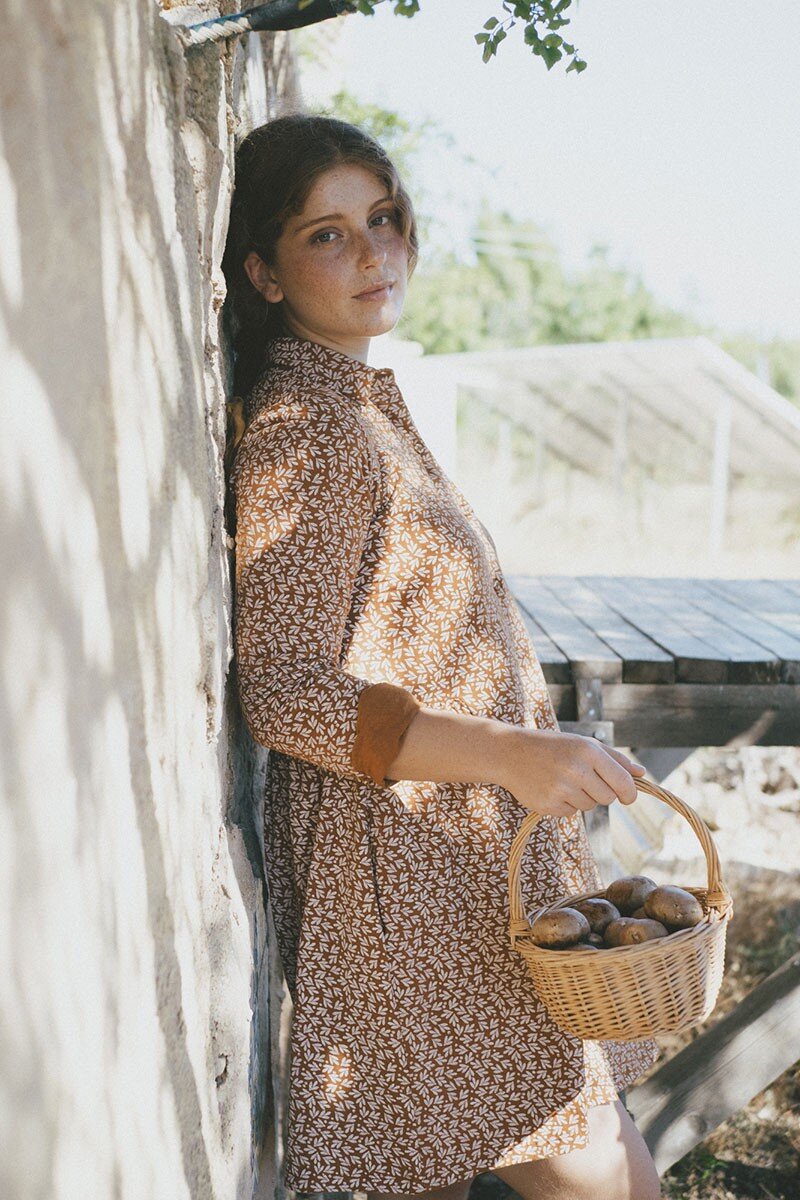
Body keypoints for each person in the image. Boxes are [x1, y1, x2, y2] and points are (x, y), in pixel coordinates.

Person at [221, 113, 662, 1200]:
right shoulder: (306, 427)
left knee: (451, 1162)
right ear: (263, 274)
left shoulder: (356, 401)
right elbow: (283, 692)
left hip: (453, 871)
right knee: (600, 1173)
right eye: (325, 235)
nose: (372, 253)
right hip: (405, 886)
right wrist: (510, 754)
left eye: (382, 219)